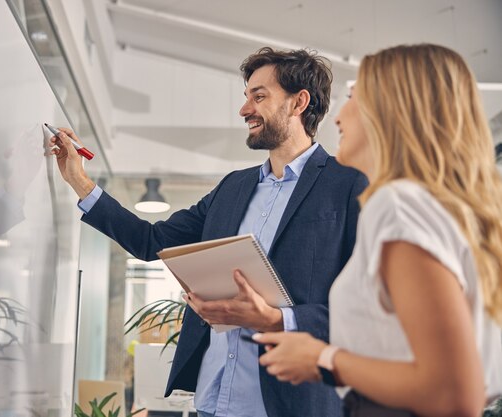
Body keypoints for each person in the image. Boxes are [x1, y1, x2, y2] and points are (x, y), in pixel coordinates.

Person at [50, 47, 368, 417]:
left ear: (299, 103)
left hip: (290, 405)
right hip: (213, 401)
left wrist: (277, 318)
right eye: (246, 97)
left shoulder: (347, 187)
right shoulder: (233, 188)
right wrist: (79, 181)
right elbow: (152, 241)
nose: (245, 109)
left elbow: (364, 311)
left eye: (259, 96)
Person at [254, 44, 502, 417]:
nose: (339, 113)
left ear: (393, 108)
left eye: (354, 96)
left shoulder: (399, 205)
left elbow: (453, 392)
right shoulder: (451, 210)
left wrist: (323, 359)